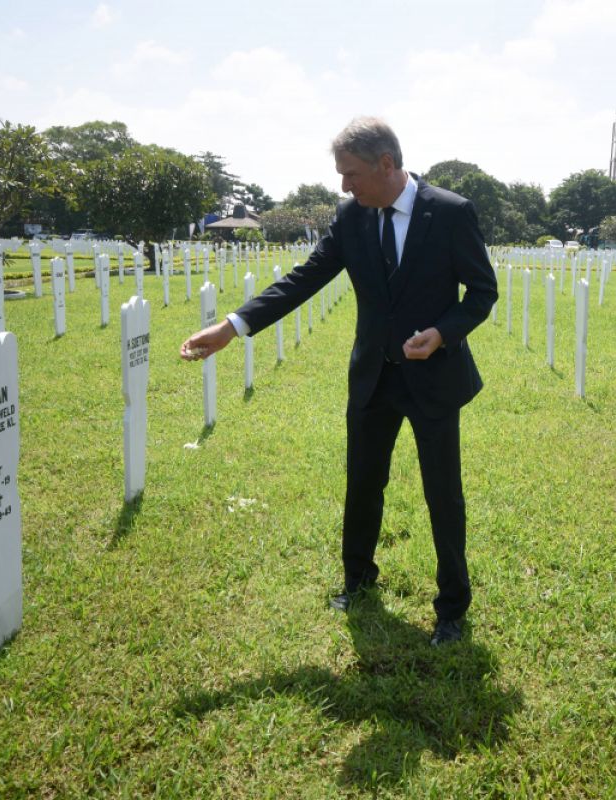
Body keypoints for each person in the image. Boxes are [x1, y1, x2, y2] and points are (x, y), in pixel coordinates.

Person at [179, 117, 498, 646]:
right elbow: (306, 277)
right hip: (373, 376)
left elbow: (481, 293)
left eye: (350, 174)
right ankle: (358, 580)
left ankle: (451, 609)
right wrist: (233, 327)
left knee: (443, 493)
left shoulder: (450, 212)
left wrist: (443, 333)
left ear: (387, 165)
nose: (344, 186)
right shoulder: (351, 216)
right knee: (362, 483)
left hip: (432, 378)